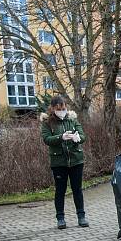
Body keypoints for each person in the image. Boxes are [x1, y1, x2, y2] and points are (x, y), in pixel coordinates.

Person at [40, 95, 88, 229]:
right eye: (59, 108)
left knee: (77, 189)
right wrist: (61, 137)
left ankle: (81, 216)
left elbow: (83, 135)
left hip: (76, 160)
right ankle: (60, 218)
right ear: (53, 108)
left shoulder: (72, 119)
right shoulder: (47, 122)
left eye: (64, 108)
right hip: (59, 161)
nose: (62, 110)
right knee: (60, 190)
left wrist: (77, 138)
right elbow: (47, 139)